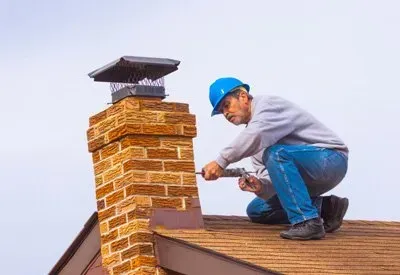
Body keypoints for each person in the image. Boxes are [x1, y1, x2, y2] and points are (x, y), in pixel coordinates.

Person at [202, 77, 349, 240]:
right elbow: (274, 182)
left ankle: (307, 221)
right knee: (258, 209)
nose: (226, 113)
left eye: (226, 105)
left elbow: (256, 134)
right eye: (222, 111)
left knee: (276, 154)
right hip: (306, 177)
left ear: (243, 96)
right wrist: (261, 187)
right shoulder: (255, 144)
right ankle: (327, 207)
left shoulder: (267, 106)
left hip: (331, 159)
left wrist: (221, 161)